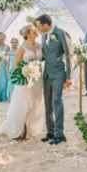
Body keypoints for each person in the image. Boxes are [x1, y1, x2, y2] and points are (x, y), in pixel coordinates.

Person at [0, 24, 45, 140]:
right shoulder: (22, 48)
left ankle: (31, 129)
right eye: (33, 30)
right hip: (25, 79)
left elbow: (45, 59)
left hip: (38, 79)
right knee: (23, 103)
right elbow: (16, 65)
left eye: (36, 30)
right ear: (27, 34)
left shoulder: (40, 46)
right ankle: (20, 129)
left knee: (36, 103)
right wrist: (26, 71)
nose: (36, 31)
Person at [36, 14, 72, 145]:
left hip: (58, 73)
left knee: (57, 100)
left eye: (39, 25)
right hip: (46, 74)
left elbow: (69, 54)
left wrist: (69, 76)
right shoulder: (43, 35)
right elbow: (45, 54)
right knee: (47, 103)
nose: (38, 28)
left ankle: (60, 133)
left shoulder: (61, 33)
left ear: (46, 25)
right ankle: (50, 132)